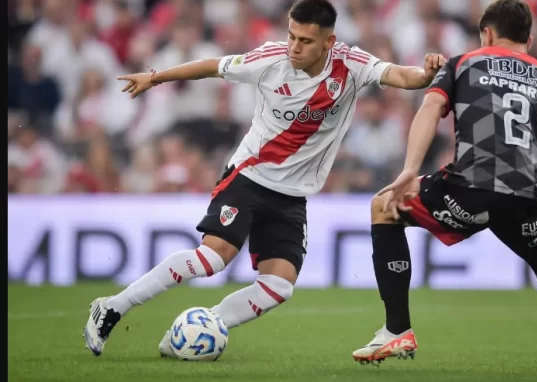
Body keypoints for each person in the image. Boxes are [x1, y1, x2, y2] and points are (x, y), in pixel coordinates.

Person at [83, 0, 446, 357]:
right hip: (249, 177)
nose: (294, 47)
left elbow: (401, 75)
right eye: (291, 36)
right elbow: (213, 66)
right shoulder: (270, 59)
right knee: (213, 258)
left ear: (328, 43)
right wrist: (156, 76)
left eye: (305, 41)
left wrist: (427, 74)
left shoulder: (351, 64)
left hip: (292, 196)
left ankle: (201, 326)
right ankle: (113, 306)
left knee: (278, 286)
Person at [352, 0, 537, 378]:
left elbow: (429, 109)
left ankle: (397, 330)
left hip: (470, 188)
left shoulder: (464, 62)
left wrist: (411, 169)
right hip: (529, 199)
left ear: (487, 33)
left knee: (384, 206)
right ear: (530, 37)